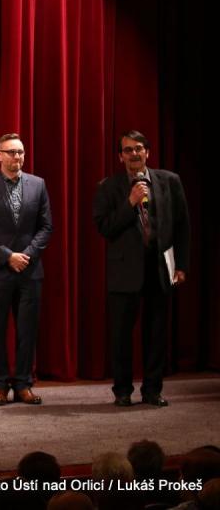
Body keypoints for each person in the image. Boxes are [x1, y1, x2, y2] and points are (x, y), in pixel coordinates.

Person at [93, 130, 190, 408]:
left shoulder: (170, 181)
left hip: (159, 269)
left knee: (156, 333)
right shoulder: (108, 187)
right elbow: (105, 227)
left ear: (147, 152)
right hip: (124, 272)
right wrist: (130, 203)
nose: (134, 154)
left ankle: (152, 390)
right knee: (121, 336)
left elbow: (182, 225)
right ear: (120, 156)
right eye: (128, 150)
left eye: (138, 148)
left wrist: (182, 265)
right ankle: (122, 391)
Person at [0, 133, 53, 406]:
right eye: (11, 152)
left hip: (30, 270)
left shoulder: (38, 184)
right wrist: (8, 256)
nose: (16, 157)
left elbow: (46, 227)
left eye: (20, 152)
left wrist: (26, 255)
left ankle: (23, 384)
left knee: (27, 330)